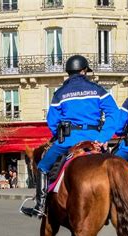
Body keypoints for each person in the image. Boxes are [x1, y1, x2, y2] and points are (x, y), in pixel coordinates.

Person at [21, 54, 119, 218]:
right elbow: (113, 113)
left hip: (69, 139)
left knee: (43, 167)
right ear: (83, 71)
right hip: (94, 139)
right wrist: (103, 137)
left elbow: (52, 120)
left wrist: (60, 135)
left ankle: (40, 205)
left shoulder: (60, 93)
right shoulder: (98, 90)